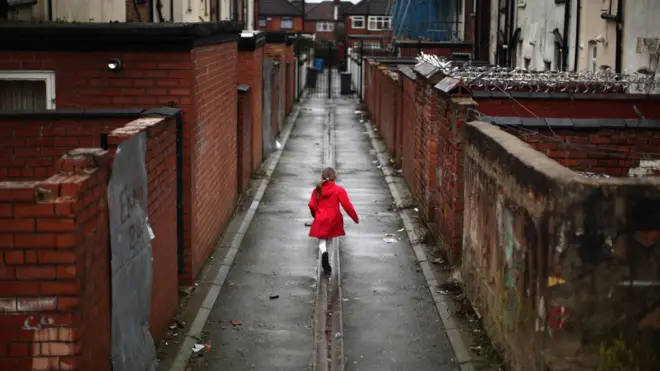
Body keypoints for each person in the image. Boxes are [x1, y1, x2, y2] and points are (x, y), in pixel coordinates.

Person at [308, 167, 359, 274]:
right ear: (334, 178)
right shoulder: (339, 190)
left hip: (320, 218)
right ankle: (328, 261)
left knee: (322, 240)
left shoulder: (317, 189)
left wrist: (315, 215)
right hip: (333, 219)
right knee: (330, 240)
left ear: (322, 177)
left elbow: (312, 205)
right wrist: (355, 218)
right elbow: (347, 206)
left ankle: (324, 252)